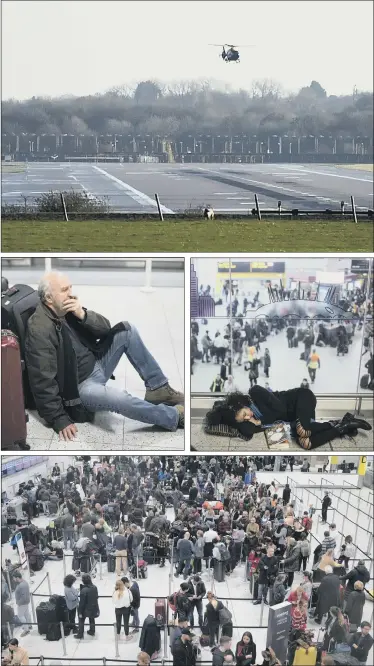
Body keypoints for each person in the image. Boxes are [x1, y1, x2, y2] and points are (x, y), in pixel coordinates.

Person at [25, 271, 184, 442]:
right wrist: (58, 419)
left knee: (127, 330)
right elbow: (42, 381)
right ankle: (172, 416)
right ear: (49, 298)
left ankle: (158, 389)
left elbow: (105, 329)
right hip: (80, 387)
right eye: (64, 289)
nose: (71, 293)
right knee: (119, 398)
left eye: (70, 287)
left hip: (97, 362)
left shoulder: (66, 307)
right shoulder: (39, 329)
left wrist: (83, 315)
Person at [205, 385, 371, 450]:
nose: (248, 417)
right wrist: (239, 421)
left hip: (301, 399)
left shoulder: (255, 392)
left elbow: (279, 409)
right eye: (244, 419)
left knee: (302, 430)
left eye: (244, 414)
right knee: (305, 443)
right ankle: (342, 427)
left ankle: (340, 424)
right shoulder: (249, 419)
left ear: (242, 404)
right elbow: (246, 433)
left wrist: (261, 422)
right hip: (297, 419)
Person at [75, 573, 99, 639]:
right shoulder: (94, 587)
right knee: (92, 619)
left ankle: (80, 634)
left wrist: (80, 612)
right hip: (93, 607)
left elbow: (82, 603)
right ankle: (92, 631)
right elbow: (96, 597)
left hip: (85, 609)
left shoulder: (83, 590)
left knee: (81, 620)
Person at [12, 572, 32, 638]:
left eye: (14, 578)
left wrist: (19, 602)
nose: (13, 580)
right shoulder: (24, 582)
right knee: (26, 614)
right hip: (25, 602)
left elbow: (24, 597)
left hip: (22, 603)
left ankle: (26, 630)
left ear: (17, 578)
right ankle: (29, 625)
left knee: (20, 615)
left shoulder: (21, 585)